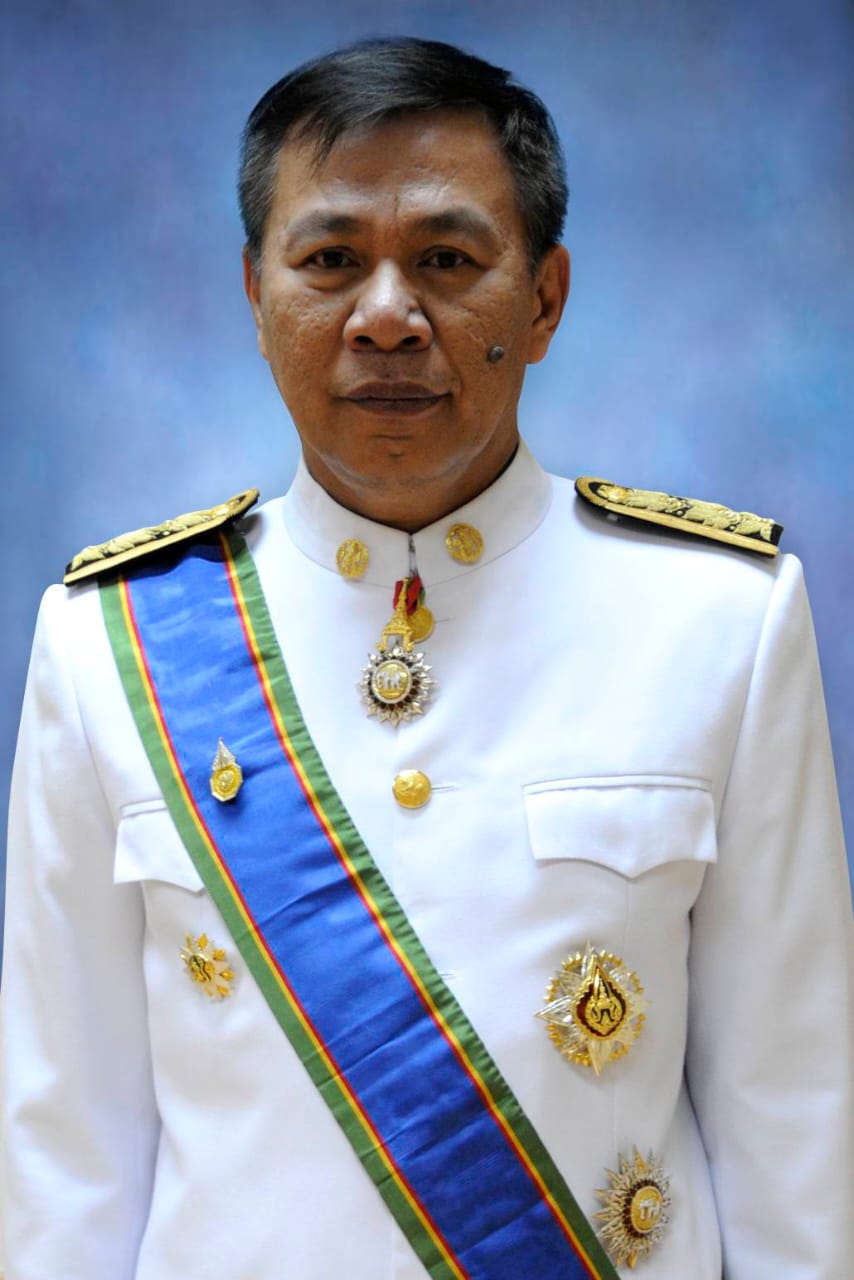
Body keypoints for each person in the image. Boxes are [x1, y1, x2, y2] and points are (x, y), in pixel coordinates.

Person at [1, 37, 851, 1280]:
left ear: (544, 298)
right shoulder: (104, 643)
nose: (387, 316)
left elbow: (792, 1134)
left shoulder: (721, 617)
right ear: (255, 296)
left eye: (447, 260)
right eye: (330, 260)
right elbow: (62, 1163)